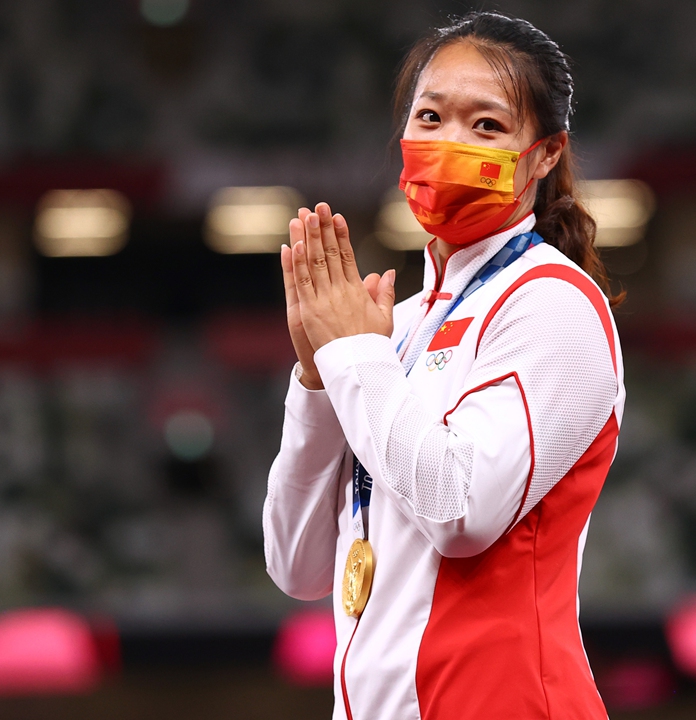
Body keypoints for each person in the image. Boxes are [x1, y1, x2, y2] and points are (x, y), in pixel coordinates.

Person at [263, 11, 625, 720]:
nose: (449, 142)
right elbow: (298, 567)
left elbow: (462, 513)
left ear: (545, 154)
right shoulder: (392, 326)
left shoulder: (553, 304)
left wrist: (354, 357)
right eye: (429, 117)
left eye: (486, 126)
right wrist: (315, 379)